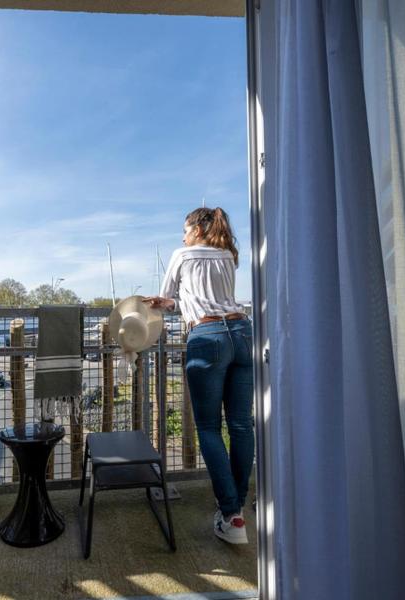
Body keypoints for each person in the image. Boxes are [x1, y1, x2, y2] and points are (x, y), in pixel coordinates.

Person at [145, 206, 253, 545]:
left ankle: (231, 513)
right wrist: (175, 305)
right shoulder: (228, 254)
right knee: (240, 425)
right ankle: (236, 507)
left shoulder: (182, 255)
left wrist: (162, 303)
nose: (182, 238)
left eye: (185, 230)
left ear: (197, 229)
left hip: (208, 338)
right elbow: (204, 299)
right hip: (242, 333)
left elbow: (167, 297)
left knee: (208, 427)